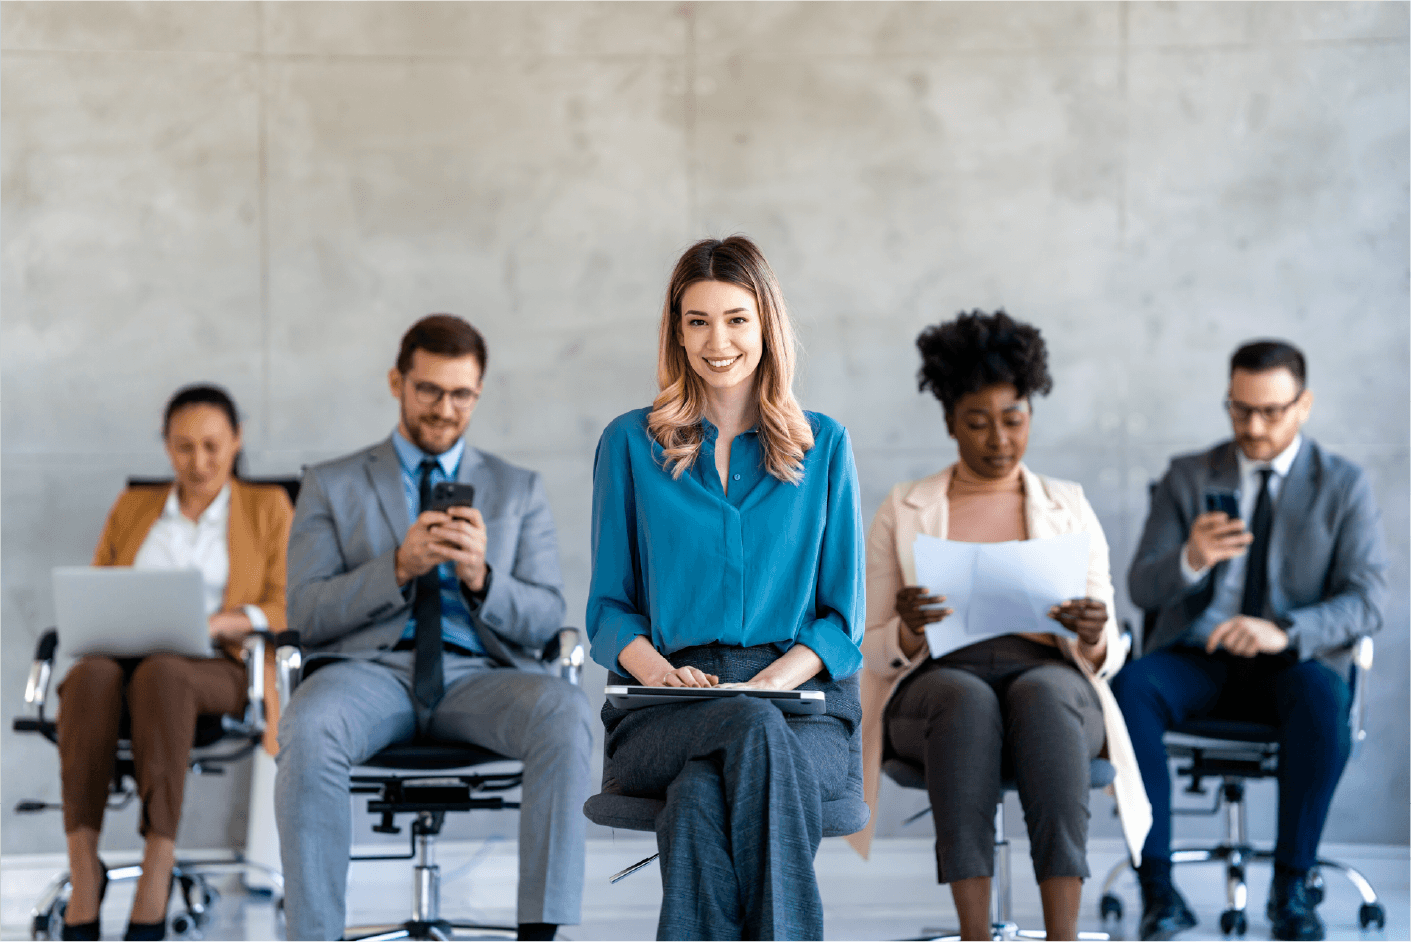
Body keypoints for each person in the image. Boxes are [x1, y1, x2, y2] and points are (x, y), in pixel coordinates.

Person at [275, 314, 591, 942]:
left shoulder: (518, 489)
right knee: (310, 726)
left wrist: (481, 578)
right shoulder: (329, 484)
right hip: (368, 674)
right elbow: (306, 613)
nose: (445, 408)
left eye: (462, 394)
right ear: (397, 381)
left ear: (478, 392)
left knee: (565, 710)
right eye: (429, 390)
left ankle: (541, 934)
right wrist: (395, 567)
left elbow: (545, 616)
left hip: (481, 678)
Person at [586, 236, 866, 942]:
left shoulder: (823, 446)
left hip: (801, 706)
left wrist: (774, 681)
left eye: (737, 318)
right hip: (666, 707)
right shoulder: (628, 443)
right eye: (698, 320)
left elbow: (843, 619)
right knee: (742, 726)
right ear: (676, 333)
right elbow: (608, 611)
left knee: (700, 798)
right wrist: (663, 675)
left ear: (766, 325)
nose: (718, 341)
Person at [852, 311, 1151, 942]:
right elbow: (870, 650)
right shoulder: (904, 509)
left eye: (1013, 420)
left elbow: (1108, 653)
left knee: (1045, 693)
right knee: (964, 700)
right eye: (977, 423)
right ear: (949, 422)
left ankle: (1063, 935)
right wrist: (908, 630)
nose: (998, 440)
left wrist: (1094, 633)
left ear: (1031, 415)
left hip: (1049, 675)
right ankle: (974, 936)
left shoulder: (1068, 506)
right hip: (938, 682)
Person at [1114, 340, 1388, 942]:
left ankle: (1292, 886)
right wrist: (1190, 557)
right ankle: (1157, 889)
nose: (1253, 426)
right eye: (1239, 410)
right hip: (1198, 656)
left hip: (1288, 662)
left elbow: (1369, 598)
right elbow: (1140, 585)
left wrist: (1284, 631)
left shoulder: (1342, 485)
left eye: (1270, 411)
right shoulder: (1189, 476)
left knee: (1323, 700)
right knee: (1129, 687)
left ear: (1304, 404)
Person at [57, 384, 292, 942]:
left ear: (237, 441)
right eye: (183, 446)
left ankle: (156, 868)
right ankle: (83, 866)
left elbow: (290, 601)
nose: (199, 461)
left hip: (218, 666)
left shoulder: (267, 507)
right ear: (165, 446)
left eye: (212, 445)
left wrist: (221, 621)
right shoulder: (135, 506)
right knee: (88, 676)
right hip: (122, 660)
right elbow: (100, 585)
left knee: (166, 671)